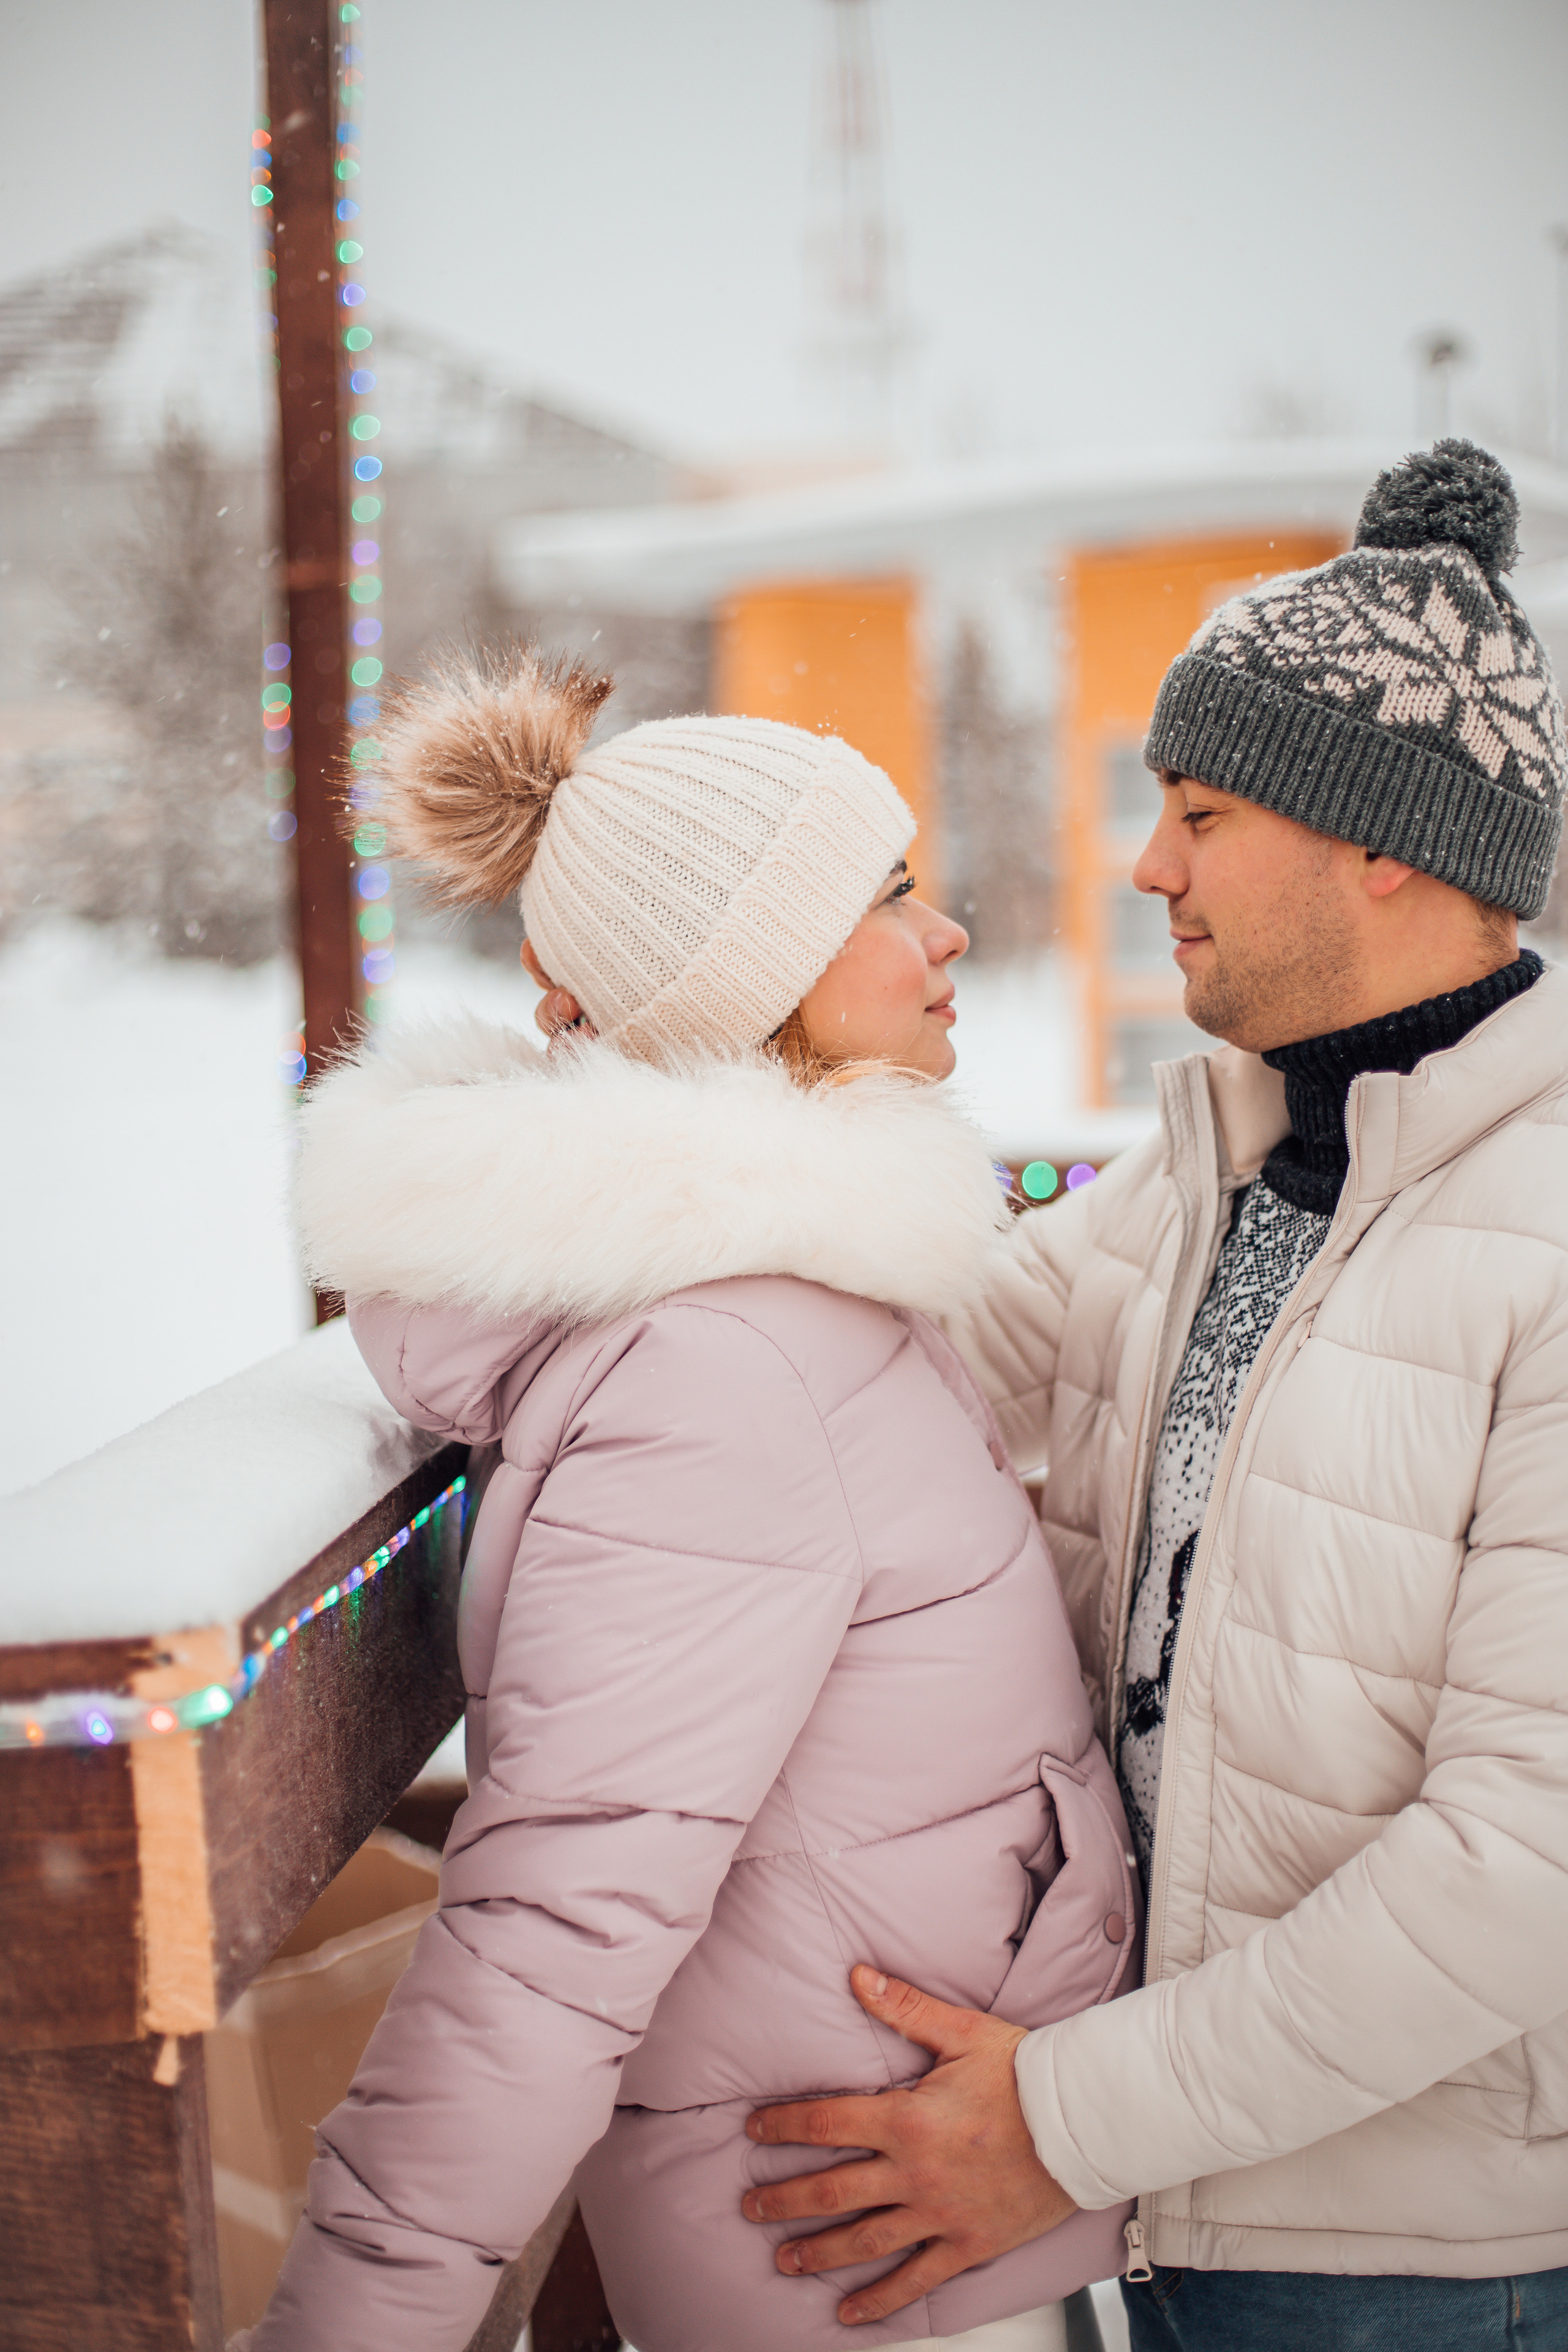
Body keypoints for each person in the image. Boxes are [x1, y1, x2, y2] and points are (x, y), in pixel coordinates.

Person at [737, 441, 1568, 2351]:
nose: (1147, 869)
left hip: (1425, 2271)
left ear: (1386, 843)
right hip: (1179, 2209)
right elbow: (882, 1376)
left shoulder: (1545, 1233)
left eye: (1200, 813)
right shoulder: (1219, 1161)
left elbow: (1526, 1857)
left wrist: (1057, 2119)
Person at [251, 657, 1142, 2352]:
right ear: (759, 984)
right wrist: (360, 2320)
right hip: (852, 2265)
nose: (946, 933)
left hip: (921, 2221)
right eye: (887, 898)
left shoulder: (799, 1295)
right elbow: (557, 1925)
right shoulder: (732, 1369)